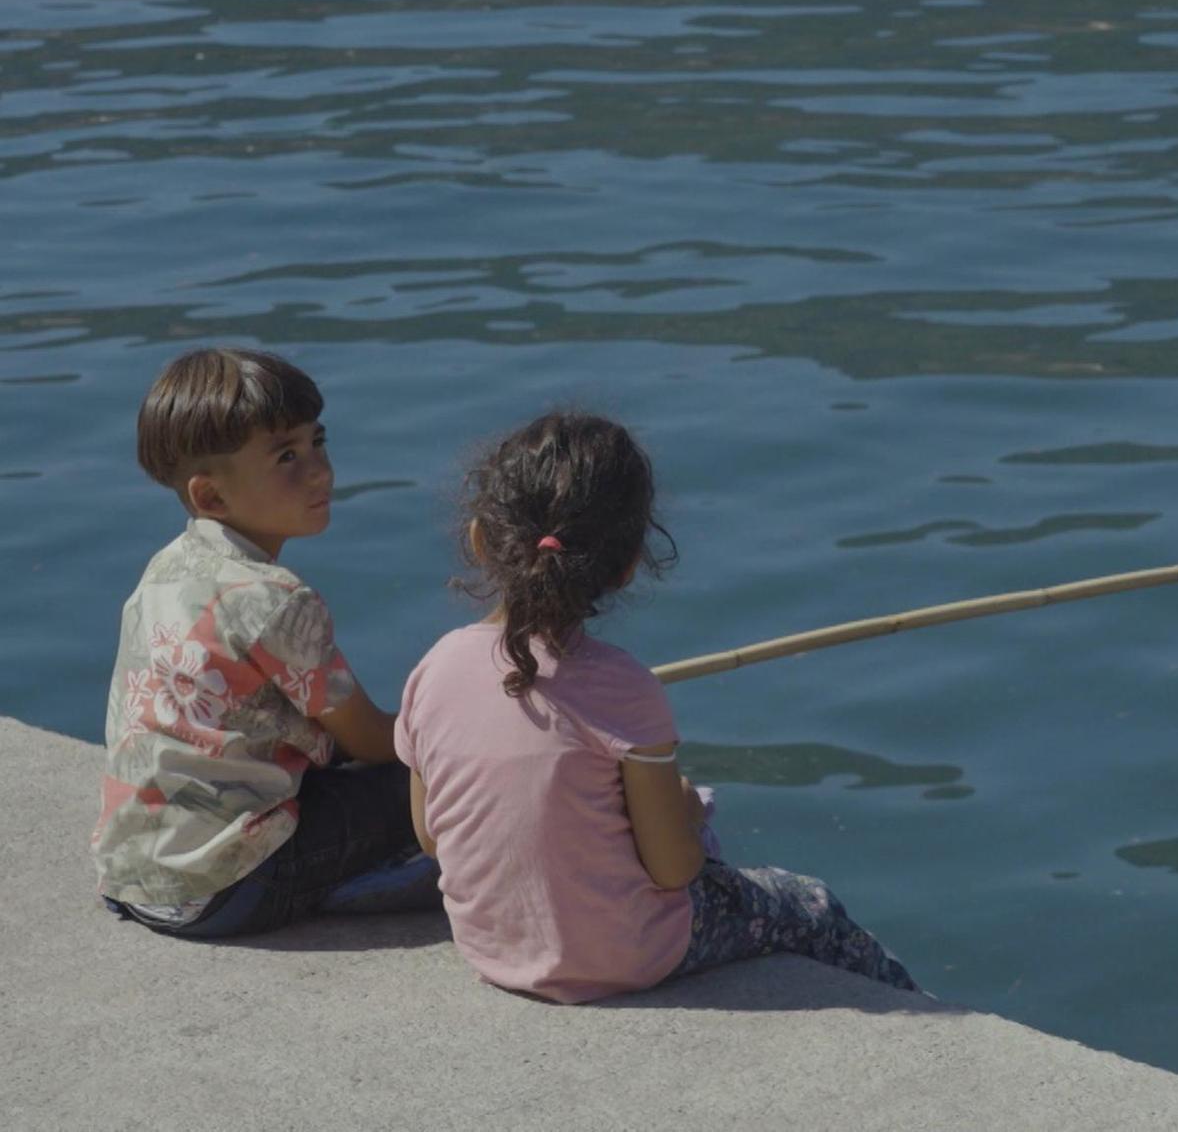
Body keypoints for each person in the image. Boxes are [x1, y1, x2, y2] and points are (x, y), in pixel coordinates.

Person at [395, 411, 918, 1003]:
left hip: (491, 950)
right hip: (627, 956)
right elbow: (672, 869)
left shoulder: (434, 668)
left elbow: (432, 837)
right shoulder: (626, 687)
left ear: (479, 540)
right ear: (626, 567)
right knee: (812, 907)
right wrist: (684, 812)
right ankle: (916, 1007)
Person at [91, 347, 439, 937]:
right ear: (212, 498)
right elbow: (374, 740)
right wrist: (457, 722)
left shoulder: (167, 569)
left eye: (317, 442)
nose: (321, 471)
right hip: (229, 886)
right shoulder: (276, 600)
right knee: (425, 783)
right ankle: (365, 886)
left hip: (138, 877)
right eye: (287, 457)